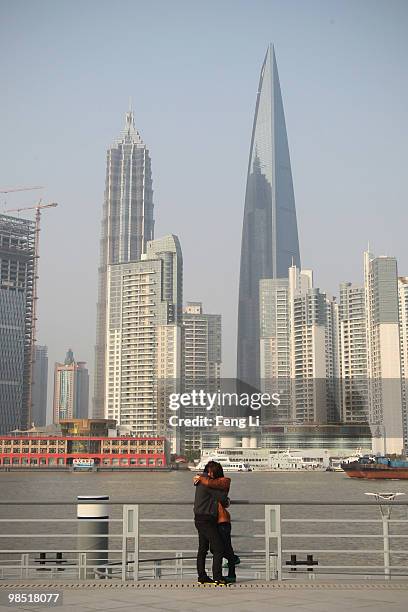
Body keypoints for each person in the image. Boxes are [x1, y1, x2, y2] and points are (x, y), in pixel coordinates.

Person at [194, 462, 239, 583]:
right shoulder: (207, 484)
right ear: (211, 472)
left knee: (203, 548)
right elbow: (223, 499)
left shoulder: (200, 482)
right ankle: (218, 577)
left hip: (199, 518)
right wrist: (226, 498)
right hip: (207, 520)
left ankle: (202, 576)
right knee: (218, 547)